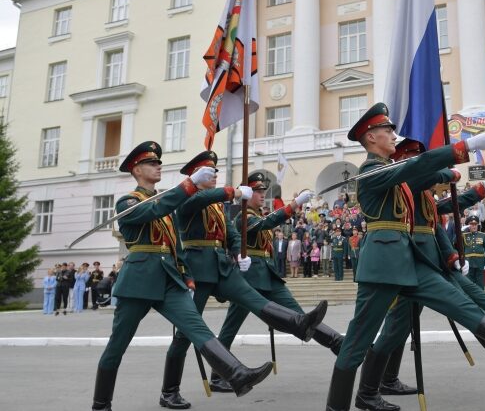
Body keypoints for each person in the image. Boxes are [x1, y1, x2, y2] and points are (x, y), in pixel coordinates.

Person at [326, 104, 485, 411]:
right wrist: (463, 146)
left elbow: (420, 173)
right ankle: (339, 405)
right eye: (387, 130)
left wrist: (466, 177)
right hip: (382, 266)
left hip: (412, 261)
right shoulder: (371, 172)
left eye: (392, 130)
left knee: (464, 306)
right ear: (370, 137)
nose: (393, 135)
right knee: (356, 343)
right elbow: (413, 169)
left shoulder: (392, 172)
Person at [91, 142, 275, 411]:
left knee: (196, 328)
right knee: (117, 346)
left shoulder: (167, 203)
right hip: (138, 281)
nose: (159, 166)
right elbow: (152, 211)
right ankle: (100, 403)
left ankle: (235, 374)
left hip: (169, 279)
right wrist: (188, 185)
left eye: (158, 162)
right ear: (137, 169)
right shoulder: (128, 202)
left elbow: (174, 245)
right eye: (152, 163)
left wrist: (187, 276)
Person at [209, 170, 342, 394]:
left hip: (267, 275)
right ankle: (218, 375)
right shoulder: (242, 217)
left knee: (302, 316)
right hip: (248, 276)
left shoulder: (256, 214)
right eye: (258, 191)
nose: (262, 194)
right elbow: (266, 224)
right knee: (230, 328)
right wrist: (293, 205)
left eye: (263, 191)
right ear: (247, 193)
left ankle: (337, 342)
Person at [464, 215, 485, 289]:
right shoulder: (464, 235)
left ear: (477, 225)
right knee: (469, 284)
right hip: (468, 263)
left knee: (480, 284)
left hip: (480, 263)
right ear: (469, 225)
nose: (474, 226)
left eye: (475, 224)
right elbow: (458, 245)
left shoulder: (483, 235)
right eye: (472, 224)